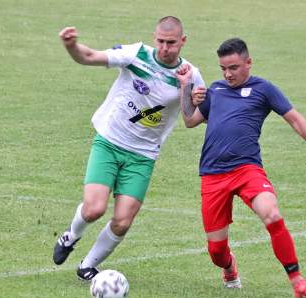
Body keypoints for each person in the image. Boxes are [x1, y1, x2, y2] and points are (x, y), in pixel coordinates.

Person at [176, 37, 306, 298]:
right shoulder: (215, 90)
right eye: (223, 69)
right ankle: (229, 267)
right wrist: (185, 89)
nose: (228, 74)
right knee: (216, 251)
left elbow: (295, 120)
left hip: (246, 169)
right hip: (213, 175)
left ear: (248, 62)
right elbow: (190, 120)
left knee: (272, 214)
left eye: (234, 67)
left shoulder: (264, 89)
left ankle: (298, 282)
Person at [53, 17, 205, 281]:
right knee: (94, 209)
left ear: (183, 41)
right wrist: (71, 46)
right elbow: (89, 56)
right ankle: (71, 235)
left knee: (123, 221)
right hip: (110, 142)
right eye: (160, 41)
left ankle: (87, 266)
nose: (165, 48)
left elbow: (191, 120)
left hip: (143, 156)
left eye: (171, 43)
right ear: (154, 37)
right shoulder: (136, 54)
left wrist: (185, 89)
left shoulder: (191, 73)